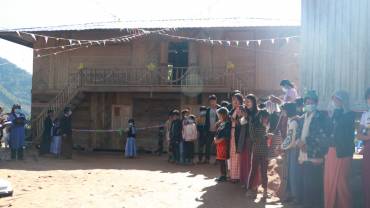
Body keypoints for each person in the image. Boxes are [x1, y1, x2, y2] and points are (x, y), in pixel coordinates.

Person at [298, 90, 331, 208]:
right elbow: (299, 133)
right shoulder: (302, 117)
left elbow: (323, 136)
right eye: (307, 102)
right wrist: (299, 142)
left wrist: (309, 146)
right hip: (303, 156)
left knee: (315, 187)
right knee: (306, 186)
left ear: (316, 103)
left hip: (315, 156)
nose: (309, 104)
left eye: (311, 102)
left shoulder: (321, 117)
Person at [324, 90, 355, 208]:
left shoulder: (350, 115)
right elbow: (329, 132)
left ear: (343, 101)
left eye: (337, 99)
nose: (335, 102)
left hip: (343, 152)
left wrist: (335, 114)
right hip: (332, 151)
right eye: (334, 99)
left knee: (342, 184)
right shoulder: (333, 115)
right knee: (329, 181)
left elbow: (342, 126)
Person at [280, 103, 302, 204]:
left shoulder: (293, 122)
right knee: (290, 173)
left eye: (284, 111)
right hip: (292, 149)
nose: (283, 113)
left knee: (293, 173)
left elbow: (290, 139)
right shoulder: (293, 120)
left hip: (294, 150)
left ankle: (296, 197)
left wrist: (281, 147)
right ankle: (291, 195)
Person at [238, 94, 260, 189]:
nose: (246, 103)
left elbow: (257, 125)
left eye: (248, 102)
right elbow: (242, 123)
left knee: (252, 162)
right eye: (245, 102)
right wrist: (243, 116)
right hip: (245, 139)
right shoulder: (245, 111)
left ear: (253, 102)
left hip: (254, 140)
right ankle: (245, 181)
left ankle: (254, 183)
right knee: (244, 161)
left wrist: (247, 117)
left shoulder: (258, 113)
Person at [248, 110, 270, 201]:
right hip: (256, 151)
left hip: (265, 152)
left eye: (267, 118)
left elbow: (267, 139)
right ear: (259, 117)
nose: (266, 120)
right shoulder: (253, 125)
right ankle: (250, 189)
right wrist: (266, 135)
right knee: (253, 170)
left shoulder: (267, 126)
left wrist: (267, 134)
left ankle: (265, 191)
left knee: (264, 172)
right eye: (264, 118)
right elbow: (254, 138)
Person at [357, 87, 370, 208]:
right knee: (367, 178)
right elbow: (359, 135)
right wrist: (367, 137)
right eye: (369, 98)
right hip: (368, 149)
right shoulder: (365, 115)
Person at [228, 93, 244, 183]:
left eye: (236, 100)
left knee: (236, 155)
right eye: (233, 100)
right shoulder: (233, 109)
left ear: (240, 101)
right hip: (233, 132)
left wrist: (233, 120)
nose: (234, 102)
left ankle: (236, 176)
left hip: (237, 133)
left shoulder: (240, 109)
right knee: (233, 154)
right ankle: (233, 175)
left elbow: (241, 122)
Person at [214, 107, 231, 182]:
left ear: (224, 115)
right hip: (219, 144)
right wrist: (215, 139)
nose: (219, 117)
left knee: (223, 160)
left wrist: (219, 140)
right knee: (221, 160)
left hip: (223, 144)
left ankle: (224, 175)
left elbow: (226, 135)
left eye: (219, 115)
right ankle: (222, 175)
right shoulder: (221, 123)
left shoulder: (227, 123)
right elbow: (217, 133)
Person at [204, 95, 220, 164]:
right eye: (211, 101)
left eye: (213, 101)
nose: (212, 102)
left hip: (218, 131)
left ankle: (218, 159)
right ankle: (207, 159)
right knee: (207, 145)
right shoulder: (208, 110)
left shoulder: (219, 109)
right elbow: (206, 121)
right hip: (209, 130)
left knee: (218, 146)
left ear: (216, 101)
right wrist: (205, 130)